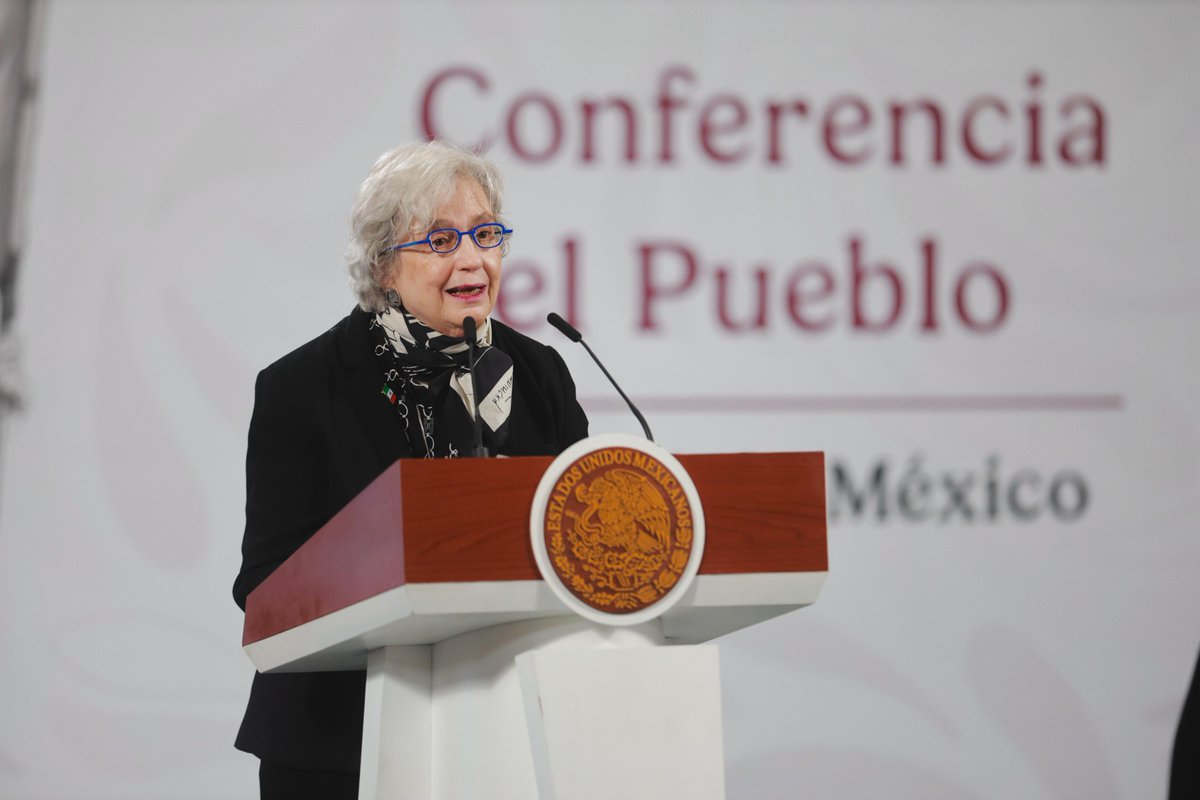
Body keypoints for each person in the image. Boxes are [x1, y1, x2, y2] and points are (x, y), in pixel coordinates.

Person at [231, 140, 589, 798]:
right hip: (340, 740)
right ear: (383, 265)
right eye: (441, 240)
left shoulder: (539, 376)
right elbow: (266, 587)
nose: (472, 259)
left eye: (485, 234)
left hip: (510, 733)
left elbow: (576, 541)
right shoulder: (301, 389)